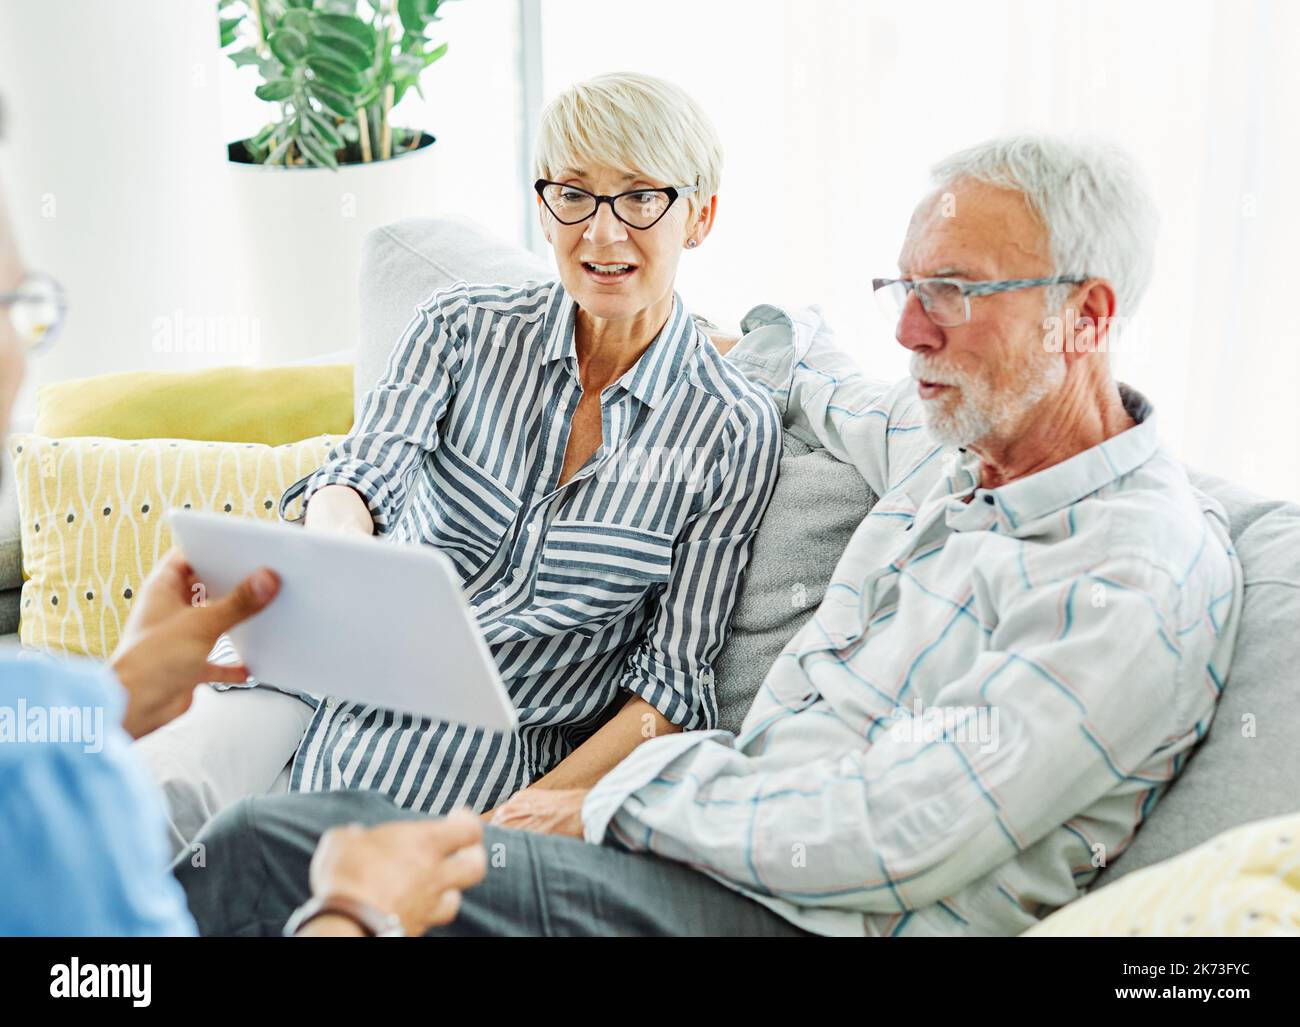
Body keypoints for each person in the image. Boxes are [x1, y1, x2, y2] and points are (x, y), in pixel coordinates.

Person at [179, 134, 1244, 938]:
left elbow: (892, 836)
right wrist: (734, 340)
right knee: (301, 835)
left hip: (805, 918)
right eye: (906, 288)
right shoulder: (958, 442)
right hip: (711, 868)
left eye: (955, 294)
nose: (911, 330)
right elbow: (827, 382)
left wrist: (609, 799)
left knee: (277, 852)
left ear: (1088, 317)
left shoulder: (1133, 575)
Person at [163, 71, 781, 835]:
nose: (603, 232)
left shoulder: (730, 427)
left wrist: (538, 810)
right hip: (319, 688)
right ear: (543, 205)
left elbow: (672, 690)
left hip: (480, 778)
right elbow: (360, 475)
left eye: (642, 196)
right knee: (126, 819)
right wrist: (341, 549)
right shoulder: (461, 326)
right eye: (575, 194)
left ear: (700, 217)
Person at [0, 161, 485, 938]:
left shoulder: (40, 713)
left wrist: (119, 691)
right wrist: (357, 913)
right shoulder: (58, 828)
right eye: (15, 311)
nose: (20, 360)